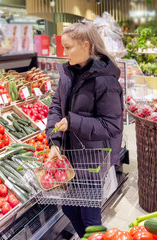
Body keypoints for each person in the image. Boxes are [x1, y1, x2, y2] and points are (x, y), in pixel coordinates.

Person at [45, 21, 124, 238]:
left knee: (90, 219)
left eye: (68, 47)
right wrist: (55, 141)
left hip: (91, 161)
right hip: (70, 158)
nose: (64, 52)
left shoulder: (105, 80)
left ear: (86, 46)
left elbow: (111, 126)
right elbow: (55, 107)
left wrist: (73, 122)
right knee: (69, 208)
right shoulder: (68, 73)